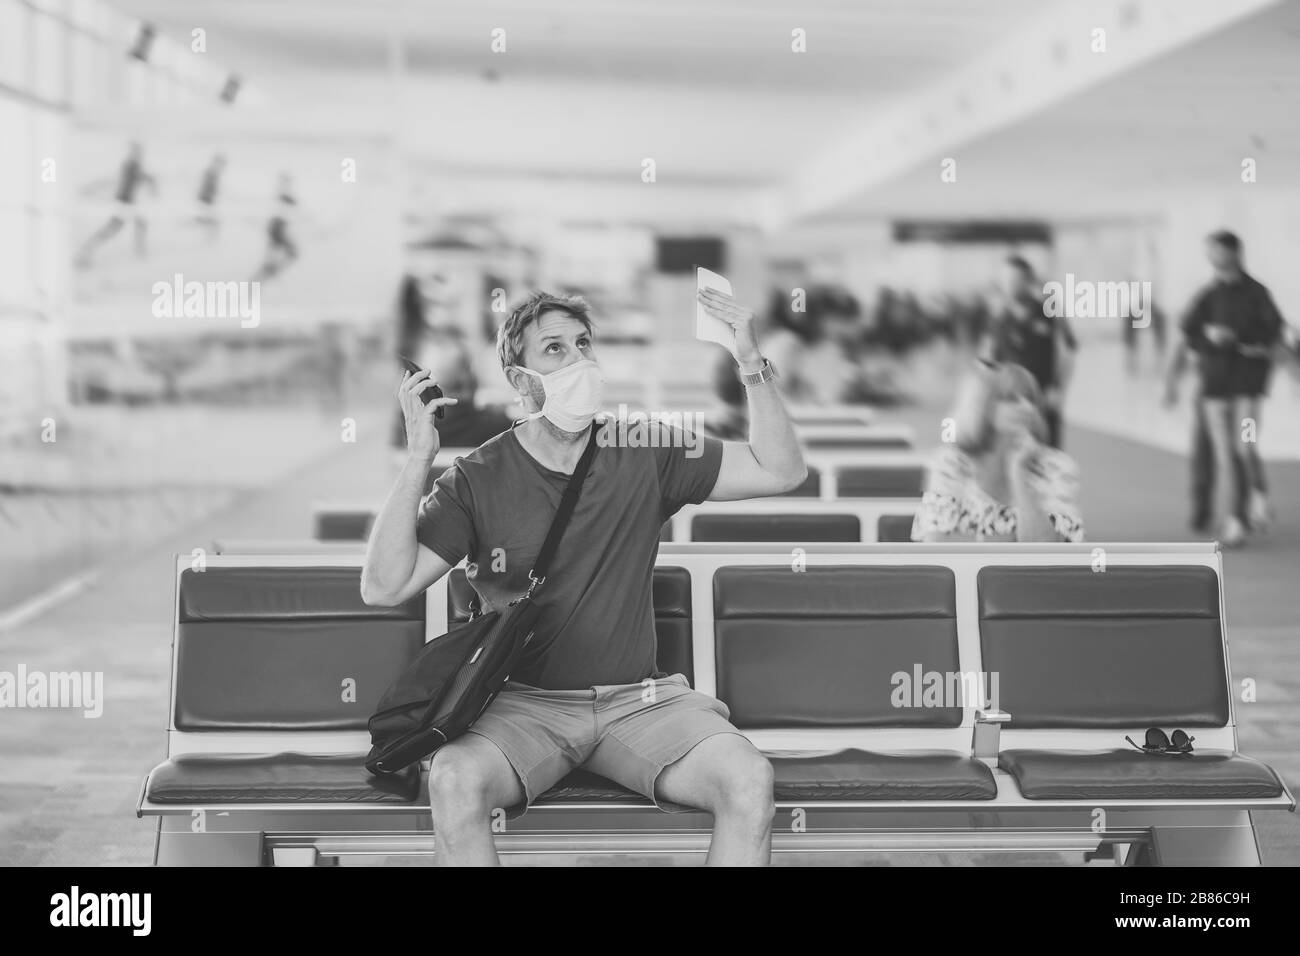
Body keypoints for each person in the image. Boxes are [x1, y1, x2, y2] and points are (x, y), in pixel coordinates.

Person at [361, 289, 806, 866]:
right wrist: (419, 457)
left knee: (748, 781)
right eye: (555, 349)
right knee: (453, 780)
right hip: (521, 707)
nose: (579, 360)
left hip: (640, 704)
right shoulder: (478, 477)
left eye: (583, 344)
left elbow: (781, 470)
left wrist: (751, 363)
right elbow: (385, 585)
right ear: (521, 381)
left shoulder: (643, 445)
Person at [1179, 230, 1284, 546]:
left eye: (1217, 251)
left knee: (1245, 445)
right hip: (1215, 389)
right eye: (1209, 252)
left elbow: (1272, 331)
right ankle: (1238, 517)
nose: (1212, 257)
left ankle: (1257, 496)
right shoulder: (1208, 295)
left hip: (1247, 390)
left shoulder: (1257, 293)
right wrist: (1209, 337)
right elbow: (1188, 331)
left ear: (1234, 252)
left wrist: (1235, 336)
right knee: (1226, 454)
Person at [911, 360, 1084, 543]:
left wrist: (1018, 473)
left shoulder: (1057, 467)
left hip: (1027, 572)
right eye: (1011, 399)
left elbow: (1048, 551)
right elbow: (937, 546)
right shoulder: (951, 463)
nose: (1027, 408)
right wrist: (1010, 541)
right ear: (983, 407)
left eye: (1031, 399)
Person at [981, 256, 1077, 448]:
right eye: (1006, 281)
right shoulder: (999, 319)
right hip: (1010, 405)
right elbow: (988, 359)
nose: (1009, 286)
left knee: (1046, 460)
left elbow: (1067, 353)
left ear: (1028, 281)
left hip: (1043, 402)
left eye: (1015, 280)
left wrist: (1058, 389)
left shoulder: (1050, 313)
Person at [74, 141, 156, 268]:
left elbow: (139, 178)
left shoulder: (129, 165)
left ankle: (140, 251)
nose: (141, 155)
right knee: (112, 229)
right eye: (139, 152)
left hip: (126, 202)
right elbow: (142, 177)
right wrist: (151, 183)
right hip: (125, 203)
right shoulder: (132, 166)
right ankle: (86, 250)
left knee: (135, 224)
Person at [251, 172, 299, 281]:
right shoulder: (283, 194)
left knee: (274, 256)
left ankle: (266, 273)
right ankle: (271, 272)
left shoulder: (282, 194)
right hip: (277, 228)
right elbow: (289, 202)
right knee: (292, 253)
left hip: (275, 227)